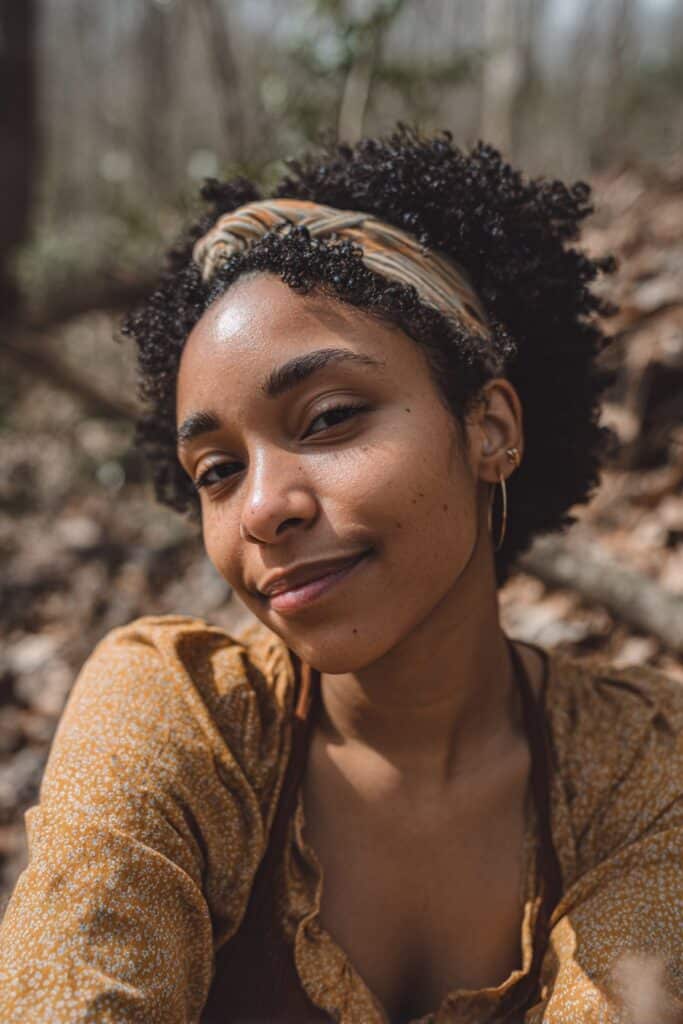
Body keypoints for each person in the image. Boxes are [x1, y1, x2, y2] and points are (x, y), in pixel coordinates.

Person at [1, 126, 682, 1024]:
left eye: (326, 419)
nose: (260, 508)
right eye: (217, 470)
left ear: (489, 429)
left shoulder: (642, 763)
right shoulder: (181, 718)